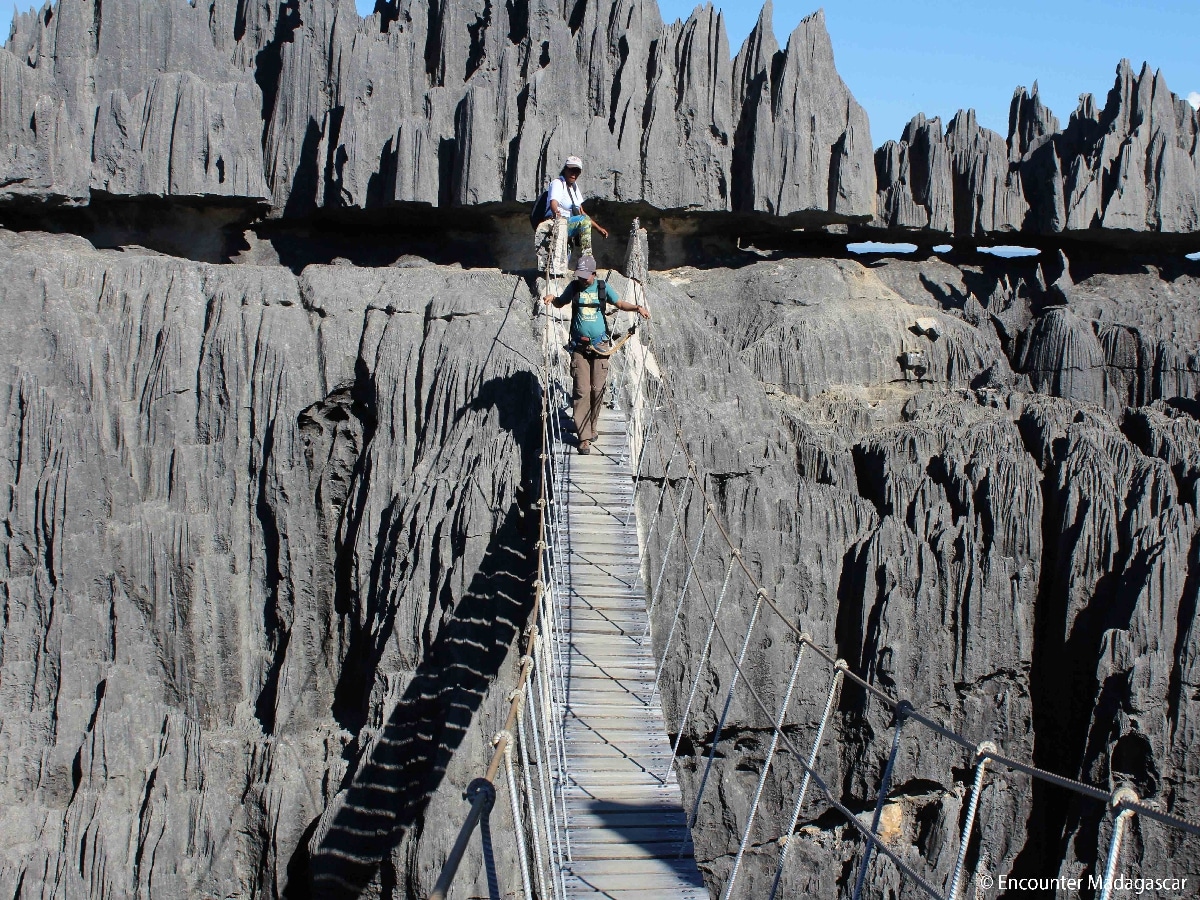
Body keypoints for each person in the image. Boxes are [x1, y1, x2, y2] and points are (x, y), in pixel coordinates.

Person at [544, 256, 650, 454]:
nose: (583, 280)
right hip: (578, 347)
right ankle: (583, 438)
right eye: (580, 276)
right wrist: (552, 299)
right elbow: (561, 302)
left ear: (594, 274)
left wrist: (637, 308)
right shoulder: (574, 287)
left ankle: (592, 426)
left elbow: (619, 303)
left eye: (586, 276)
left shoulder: (602, 288)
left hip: (600, 346)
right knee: (582, 390)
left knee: (597, 389)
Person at [534, 156, 609, 284]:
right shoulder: (558, 183)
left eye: (577, 171)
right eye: (571, 170)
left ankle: (560, 283)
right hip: (557, 222)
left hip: (569, 225)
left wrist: (598, 228)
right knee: (584, 221)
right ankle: (587, 259)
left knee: (565, 257)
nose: (574, 174)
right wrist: (556, 213)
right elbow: (554, 202)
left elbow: (581, 212)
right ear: (565, 169)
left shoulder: (574, 188)